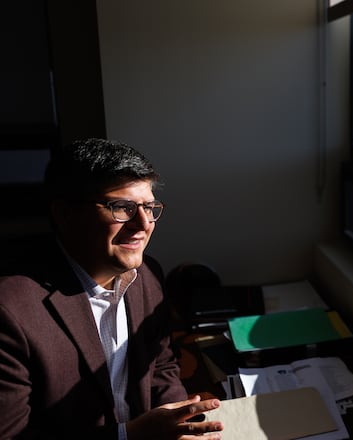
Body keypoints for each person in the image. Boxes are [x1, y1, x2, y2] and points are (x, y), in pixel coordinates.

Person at [0, 138, 224, 439]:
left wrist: (181, 422)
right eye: (122, 208)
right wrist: (127, 435)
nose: (143, 224)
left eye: (149, 207)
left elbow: (160, 365)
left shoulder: (148, 275)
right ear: (65, 214)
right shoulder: (11, 310)